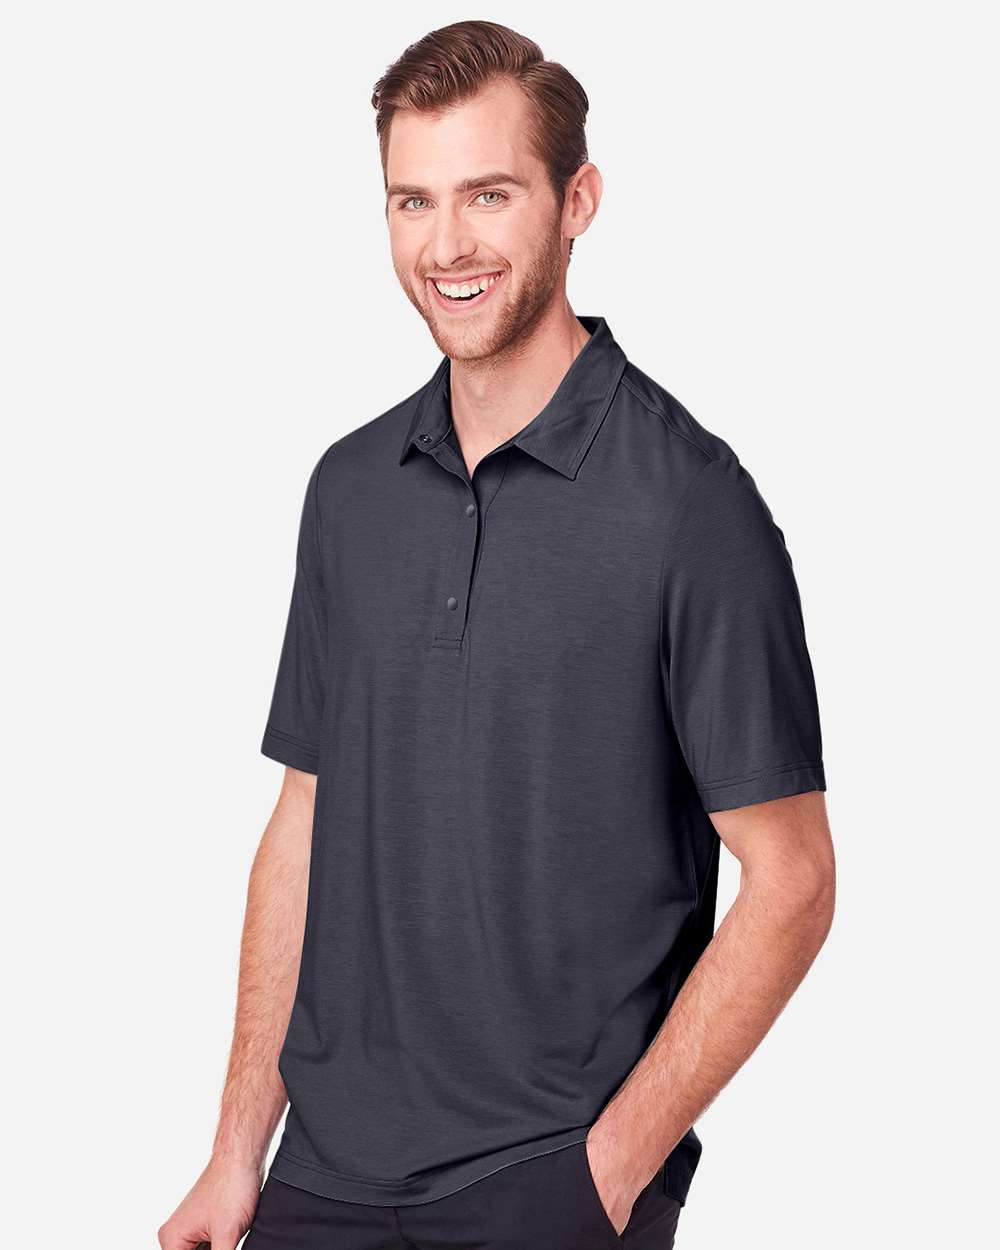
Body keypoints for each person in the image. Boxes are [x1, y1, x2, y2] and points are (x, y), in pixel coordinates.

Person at [159, 19, 835, 1250]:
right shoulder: (349, 490)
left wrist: (608, 1171)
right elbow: (305, 816)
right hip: (323, 1179)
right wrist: (234, 1151)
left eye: (489, 194)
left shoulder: (690, 505)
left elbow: (792, 876)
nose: (447, 246)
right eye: (411, 201)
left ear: (577, 201)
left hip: (546, 1181)